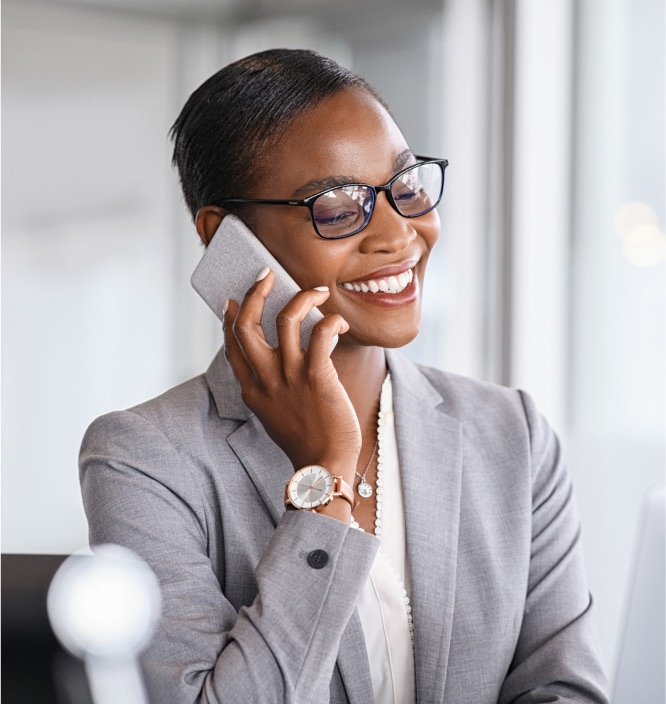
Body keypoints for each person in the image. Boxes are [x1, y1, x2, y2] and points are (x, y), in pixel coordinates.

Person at [79, 49, 610, 703]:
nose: (398, 234)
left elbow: (565, 689)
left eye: (407, 186)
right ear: (227, 238)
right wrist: (324, 477)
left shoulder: (512, 434)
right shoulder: (145, 459)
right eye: (337, 205)